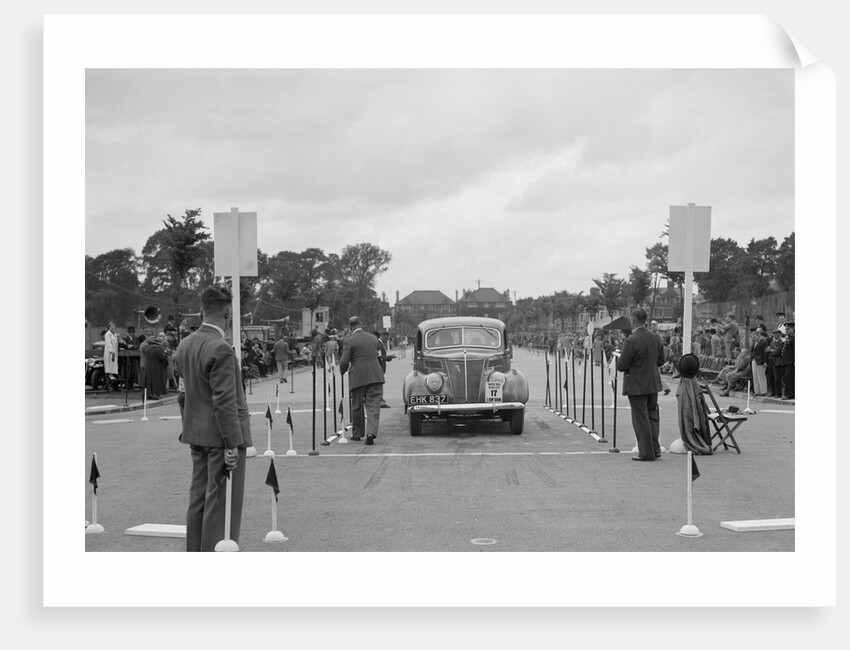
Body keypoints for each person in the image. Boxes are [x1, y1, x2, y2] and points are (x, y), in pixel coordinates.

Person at [173, 285, 253, 552]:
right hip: (221, 439)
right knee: (220, 505)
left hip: (196, 433)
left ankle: (194, 553)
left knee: (198, 500)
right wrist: (232, 444)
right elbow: (225, 402)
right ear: (228, 312)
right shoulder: (221, 349)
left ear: (201, 311)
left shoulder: (184, 346)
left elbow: (182, 395)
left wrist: (190, 424)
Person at [616, 308, 665, 461]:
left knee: (641, 420)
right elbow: (661, 361)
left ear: (633, 320)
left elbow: (621, 365)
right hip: (653, 384)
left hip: (637, 385)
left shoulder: (631, 340)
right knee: (652, 417)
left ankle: (646, 452)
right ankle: (655, 449)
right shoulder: (656, 337)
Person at [339, 316, 385, 445]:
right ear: (361, 324)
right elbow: (378, 354)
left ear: (350, 327)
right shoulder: (374, 338)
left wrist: (342, 371)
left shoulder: (349, 341)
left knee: (357, 406)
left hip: (358, 377)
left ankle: (357, 433)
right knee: (373, 406)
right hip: (375, 376)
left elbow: (344, 361)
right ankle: (371, 433)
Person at [143, 333, 168, 400]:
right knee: (156, 381)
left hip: (148, 367)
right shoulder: (158, 350)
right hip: (156, 368)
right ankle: (155, 394)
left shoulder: (148, 349)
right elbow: (163, 359)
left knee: (149, 381)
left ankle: (149, 394)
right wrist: (165, 356)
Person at [750, 327, 769, 396]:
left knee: (761, 376)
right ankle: (757, 391)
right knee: (755, 376)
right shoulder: (754, 343)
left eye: (754, 337)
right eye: (752, 337)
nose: (753, 338)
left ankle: (763, 391)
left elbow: (766, 352)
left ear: (758, 336)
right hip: (754, 360)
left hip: (761, 360)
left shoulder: (763, 342)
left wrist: (765, 361)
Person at [103, 321, 120, 390]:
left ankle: (113, 377)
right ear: (109, 327)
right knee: (110, 364)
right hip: (109, 352)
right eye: (111, 327)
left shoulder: (115, 334)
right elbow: (108, 343)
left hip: (114, 352)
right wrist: (111, 351)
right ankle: (110, 376)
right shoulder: (107, 334)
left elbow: (116, 343)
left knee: (114, 365)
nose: (113, 328)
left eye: (114, 327)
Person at [780, 322, 795, 400]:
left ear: (792, 329)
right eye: (786, 329)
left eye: (788, 329)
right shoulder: (788, 338)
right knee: (787, 378)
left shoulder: (793, 338)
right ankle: (790, 393)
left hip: (790, 361)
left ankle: (788, 394)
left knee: (789, 378)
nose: (786, 330)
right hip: (786, 361)